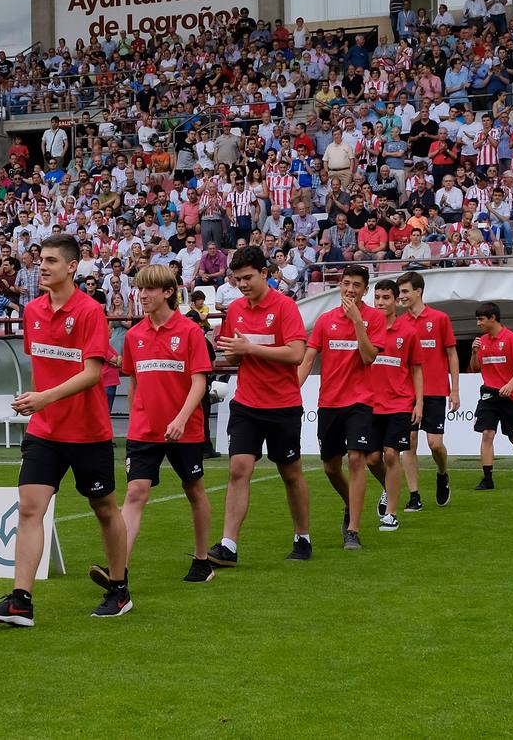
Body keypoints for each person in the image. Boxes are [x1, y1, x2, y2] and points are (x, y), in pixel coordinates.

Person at [0, 234, 130, 627]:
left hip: (87, 432)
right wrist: (39, 403)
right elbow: (43, 364)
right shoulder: (32, 310)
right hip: (44, 431)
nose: (42, 266)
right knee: (29, 509)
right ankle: (20, 602)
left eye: (50, 261)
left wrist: (44, 398)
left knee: (105, 509)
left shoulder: (91, 312)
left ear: (72, 266)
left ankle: (119, 589)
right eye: (39, 260)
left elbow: (93, 373)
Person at [97, 264, 214, 587]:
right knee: (135, 493)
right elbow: (134, 381)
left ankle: (202, 560)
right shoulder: (134, 336)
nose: (142, 295)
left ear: (167, 293)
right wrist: (136, 420)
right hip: (145, 431)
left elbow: (199, 382)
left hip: (185, 429)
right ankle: (117, 569)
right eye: (140, 289)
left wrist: (180, 418)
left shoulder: (190, 332)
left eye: (149, 289)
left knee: (194, 490)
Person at [209, 246, 312, 564]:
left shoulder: (285, 307)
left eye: (248, 277)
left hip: (283, 404)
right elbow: (233, 355)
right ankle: (228, 544)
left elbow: (296, 353)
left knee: (290, 473)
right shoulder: (236, 309)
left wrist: (250, 348)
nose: (242, 284)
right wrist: (230, 350)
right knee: (239, 469)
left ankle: (302, 536)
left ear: (265, 273)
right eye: (237, 279)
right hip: (247, 403)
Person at [297, 263, 385, 549]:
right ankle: (351, 503)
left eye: (356, 285)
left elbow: (370, 356)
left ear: (365, 290)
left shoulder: (375, 318)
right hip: (329, 402)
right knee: (331, 468)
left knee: (357, 459)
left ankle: (354, 531)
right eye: (346, 283)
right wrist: (289, 390)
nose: (350, 289)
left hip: (361, 401)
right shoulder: (324, 321)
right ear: (340, 285)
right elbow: (308, 359)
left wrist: (358, 321)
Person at [395, 270, 459, 507]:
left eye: (404, 291)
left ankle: (442, 474)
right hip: (407, 393)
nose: (400, 297)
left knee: (435, 444)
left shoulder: (440, 318)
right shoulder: (400, 322)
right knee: (409, 442)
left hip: (435, 390)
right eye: (399, 292)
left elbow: (452, 354)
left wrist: (455, 390)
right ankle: (414, 496)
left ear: (418, 291)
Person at [368, 279, 422, 532]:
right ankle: (387, 488)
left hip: (399, 402)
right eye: (377, 297)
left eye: (386, 297)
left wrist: (418, 402)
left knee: (391, 454)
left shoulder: (408, 332)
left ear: (395, 301)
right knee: (371, 459)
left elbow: (416, 369)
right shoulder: (366, 329)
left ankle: (391, 513)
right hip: (370, 402)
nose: (380, 302)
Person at [469, 302, 513, 489]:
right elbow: (475, 368)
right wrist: (474, 353)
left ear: (492, 318)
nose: (478, 324)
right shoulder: (482, 341)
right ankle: (487, 478)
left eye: (481, 319)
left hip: (511, 396)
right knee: (487, 434)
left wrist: (511, 384)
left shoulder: (511, 338)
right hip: (489, 394)